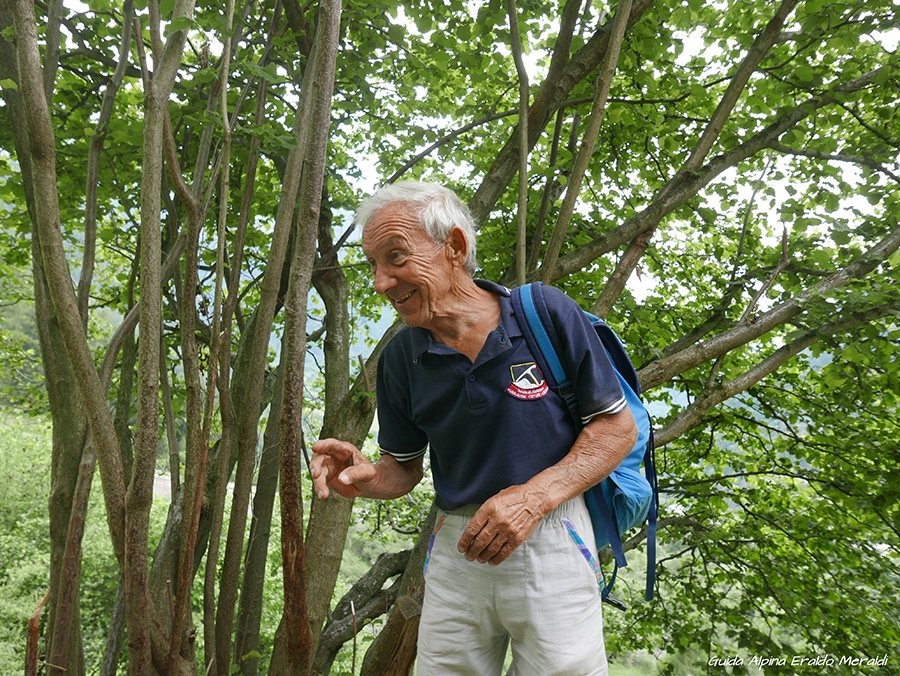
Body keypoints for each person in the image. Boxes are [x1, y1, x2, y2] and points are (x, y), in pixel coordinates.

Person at [311, 181, 637, 676]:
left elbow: (615, 429)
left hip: (554, 529)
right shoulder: (401, 356)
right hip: (457, 544)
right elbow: (402, 468)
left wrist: (533, 499)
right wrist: (365, 477)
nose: (381, 282)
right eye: (374, 264)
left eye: (395, 257)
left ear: (455, 248)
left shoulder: (542, 314)